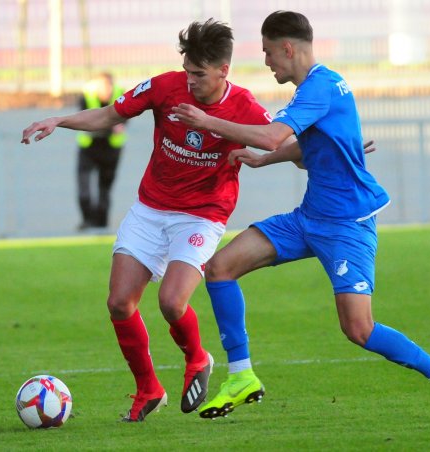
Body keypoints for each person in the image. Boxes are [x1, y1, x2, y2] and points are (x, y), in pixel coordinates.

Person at [172, 10, 430, 420]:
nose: (266, 62)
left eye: (267, 52)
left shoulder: (320, 87)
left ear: (287, 48)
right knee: (221, 267)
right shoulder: (317, 87)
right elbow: (304, 147)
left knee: (358, 329)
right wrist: (264, 162)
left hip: (347, 224)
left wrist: (210, 121)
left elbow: (274, 135)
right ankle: (241, 375)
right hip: (309, 217)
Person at [21, 19, 275, 422]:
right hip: (151, 209)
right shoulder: (164, 87)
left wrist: (211, 124)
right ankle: (148, 389)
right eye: (187, 71)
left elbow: (274, 137)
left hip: (201, 216)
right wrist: (58, 121)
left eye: (199, 74)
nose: (190, 81)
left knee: (172, 302)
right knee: (120, 303)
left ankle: (197, 358)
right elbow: (109, 115)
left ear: (223, 70)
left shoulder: (243, 104)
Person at [76, 72, 127, 230]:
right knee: (84, 189)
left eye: (108, 86)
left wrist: (117, 126)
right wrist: (110, 126)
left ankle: (101, 224)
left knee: (105, 189)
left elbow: (125, 119)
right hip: (89, 147)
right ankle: (87, 220)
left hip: (111, 149)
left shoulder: (121, 95)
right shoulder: (87, 96)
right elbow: (84, 119)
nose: (105, 89)